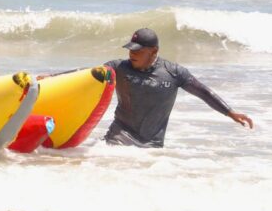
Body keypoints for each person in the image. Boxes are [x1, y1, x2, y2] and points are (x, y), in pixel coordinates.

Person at [102, 28, 253, 147]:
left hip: (152, 145)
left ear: (154, 51)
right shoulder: (118, 67)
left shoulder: (173, 73)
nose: (132, 54)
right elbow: (94, 76)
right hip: (119, 136)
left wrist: (230, 112)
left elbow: (203, 92)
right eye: (130, 49)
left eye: (138, 50)